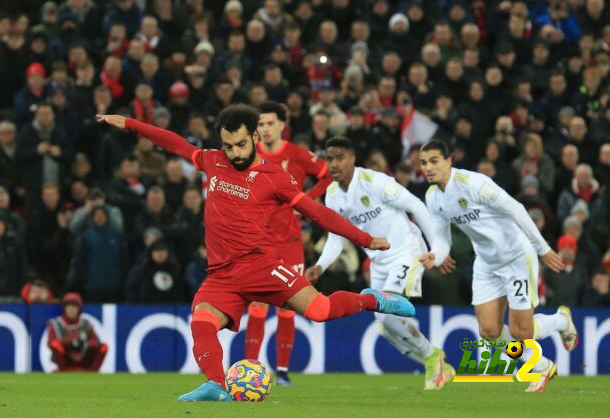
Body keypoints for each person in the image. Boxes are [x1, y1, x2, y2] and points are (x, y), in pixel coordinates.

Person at [96, 105, 414, 402]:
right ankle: (216, 384)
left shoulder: (276, 178)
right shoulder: (213, 160)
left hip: (261, 266)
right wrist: (130, 124)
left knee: (320, 311)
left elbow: (318, 213)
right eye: (227, 146)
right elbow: (175, 143)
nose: (234, 153)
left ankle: (374, 299)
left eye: (239, 145)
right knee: (202, 320)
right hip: (222, 275)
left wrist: (366, 239)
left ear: (255, 137)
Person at [418, 139, 577, 392]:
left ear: (449, 161)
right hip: (486, 263)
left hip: (516, 257)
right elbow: (441, 238)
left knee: (521, 332)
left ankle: (561, 320)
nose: (428, 167)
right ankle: (542, 366)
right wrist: (435, 255)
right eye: (424, 163)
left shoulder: (474, 184)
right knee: (489, 332)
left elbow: (516, 209)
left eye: (434, 161)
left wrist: (542, 248)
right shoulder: (433, 197)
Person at [305, 136, 454, 391]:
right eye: (329, 158)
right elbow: (337, 236)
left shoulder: (375, 182)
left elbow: (416, 206)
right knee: (383, 325)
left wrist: (437, 248)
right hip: (379, 263)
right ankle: (433, 359)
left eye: (339, 157)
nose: (333, 164)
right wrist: (320, 265)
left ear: (352, 159)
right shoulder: (332, 195)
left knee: (388, 309)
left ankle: (432, 356)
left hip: (406, 251)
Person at [244, 100, 333, 386]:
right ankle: (251, 369)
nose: (265, 129)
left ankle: (282, 371)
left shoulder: (296, 154)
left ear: (283, 125)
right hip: (258, 242)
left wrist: (305, 202)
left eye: (270, 123)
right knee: (257, 305)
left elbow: (327, 175)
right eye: (261, 124)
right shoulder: (249, 154)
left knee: (286, 306)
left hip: (290, 242)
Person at [47, 292, 108, 372]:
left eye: (74, 307)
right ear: (64, 308)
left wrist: (85, 343)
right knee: (56, 345)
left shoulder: (86, 324)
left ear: (79, 309)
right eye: (69, 307)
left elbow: (96, 342)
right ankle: (63, 370)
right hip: (65, 358)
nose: (71, 310)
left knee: (104, 347)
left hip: (84, 357)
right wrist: (71, 342)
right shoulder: (56, 324)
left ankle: (92, 372)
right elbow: (50, 342)